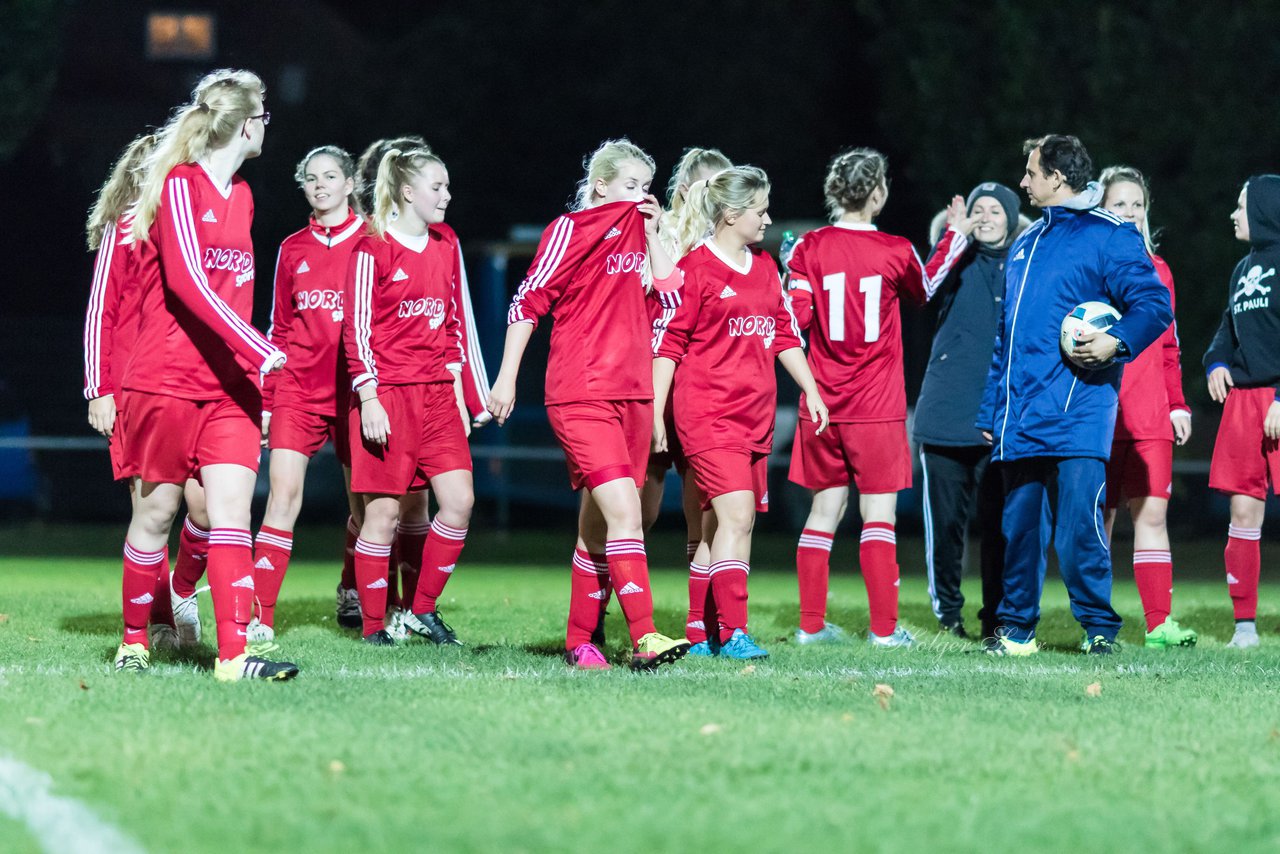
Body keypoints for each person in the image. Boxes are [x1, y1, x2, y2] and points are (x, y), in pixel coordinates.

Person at [118, 68, 298, 680]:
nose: (267, 126)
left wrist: (256, 372)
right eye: (264, 116)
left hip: (230, 389)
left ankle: (233, 658)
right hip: (166, 379)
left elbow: (231, 294)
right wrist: (258, 344)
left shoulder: (243, 195)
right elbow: (188, 282)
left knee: (231, 513)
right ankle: (134, 641)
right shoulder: (177, 186)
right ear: (245, 124)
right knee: (157, 515)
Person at [488, 138, 689, 671]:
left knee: (598, 526)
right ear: (600, 186)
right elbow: (527, 299)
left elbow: (672, 292)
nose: (639, 196)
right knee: (625, 511)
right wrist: (506, 377)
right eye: (630, 186)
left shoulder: (642, 233)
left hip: (634, 394)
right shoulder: (568, 231)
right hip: (581, 392)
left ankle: (581, 642)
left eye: (646, 188)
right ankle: (645, 636)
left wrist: (651, 230)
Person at [978, 134, 1173, 656]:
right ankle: (1016, 631)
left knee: (1079, 532)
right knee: (1018, 530)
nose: (1024, 182)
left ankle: (1099, 630)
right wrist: (990, 408)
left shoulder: (1110, 236)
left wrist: (1116, 340)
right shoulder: (1024, 243)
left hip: (1079, 410)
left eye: (1031, 173)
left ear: (1058, 178)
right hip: (1020, 416)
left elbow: (1154, 303)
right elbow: (1007, 339)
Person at [655, 165, 828, 659]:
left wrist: (811, 390)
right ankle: (733, 632)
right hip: (708, 413)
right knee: (737, 514)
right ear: (731, 215)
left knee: (723, 524)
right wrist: (654, 416)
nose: (767, 218)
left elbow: (783, 334)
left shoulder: (766, 267)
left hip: (756, 415)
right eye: (760, 210)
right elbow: (668, 347)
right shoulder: (694, 270)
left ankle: (699, 630)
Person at [336, 136, 492, 635]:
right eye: (437, 186)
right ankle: (375, 625)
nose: (446, 195)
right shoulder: (371, 248)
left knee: (460, 502)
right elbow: (355, 331)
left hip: (438, 397)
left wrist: (461, 394)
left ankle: (422, 608)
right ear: (406, 192)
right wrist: (369, 398)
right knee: (381, 516)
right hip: (389, 395)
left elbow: (451, 327)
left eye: (447, 186)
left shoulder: (446, 244)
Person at [786, 148, 929, 649]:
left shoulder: (808, 247)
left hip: (822, 402)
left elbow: (794, 320)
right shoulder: (895, 249)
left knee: (823, 512)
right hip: (876, 407)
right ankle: (884, 631)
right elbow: (923, 290)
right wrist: (952, 236)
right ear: (878, 192)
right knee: (878, 516)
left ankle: (809, 627)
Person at [248, 145, 364, 644]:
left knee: (366, 508)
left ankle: (352, 588)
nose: (320, 185)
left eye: (330, 176)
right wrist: (269, 401)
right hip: (298, 390)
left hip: (360, 394)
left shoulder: (375, 243)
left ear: (350, 183)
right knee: (283, 498)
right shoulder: (292, 248)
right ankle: (259, 616)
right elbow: (277, 329)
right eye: (311, 178)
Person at [82, 132, 180, 651]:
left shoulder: (188, 228)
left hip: (188, 385)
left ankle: (181, 591)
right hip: (133, 388)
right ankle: (158, 619)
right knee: (151, 509)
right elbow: (101, 311)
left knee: (209, 509)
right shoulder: (125, 230)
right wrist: (99, 388)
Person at [914, 182, 1022, 640]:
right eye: (979, 209)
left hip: (1003, 419)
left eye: (997, 209)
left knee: (1002, 529)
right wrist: (952, 235)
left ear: (1013, 218)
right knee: (946, 528)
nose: (986, 216)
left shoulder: (1025, 265)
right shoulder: (951, 262)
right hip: (946, 414)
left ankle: (997, 616)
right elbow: (923, 288)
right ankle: (949, 616)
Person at [1098, 165, 1198, 649]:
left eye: (1137, 204)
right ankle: (1096, 626)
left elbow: (1169, 347)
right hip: (1097, 416)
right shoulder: (1089, 268)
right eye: (1120, 204)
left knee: (1152, 518)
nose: (1131, 212)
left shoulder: (1160, 271)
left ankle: (1159, 625)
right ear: (1101, 209)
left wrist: (1177, 403)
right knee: (1100, 521)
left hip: (1149, 417)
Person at [643, 145, 732, 655]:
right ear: (684, 188)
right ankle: (603, 607)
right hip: (657, 382)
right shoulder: (666, 234)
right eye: (709, 185)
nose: (720, 196)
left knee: (708, 509)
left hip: (705, 392)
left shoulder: (731, 242)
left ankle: (710, 624)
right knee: (641, 508)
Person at [1203, 174, 1280, 649]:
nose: (1234, 214)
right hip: (1244, 403)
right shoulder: (1241, 269)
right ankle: (1245, 626)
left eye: (1241, 206)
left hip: (1278, 397)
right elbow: (1226, 329)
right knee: (1243, 513)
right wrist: (1215, 362)